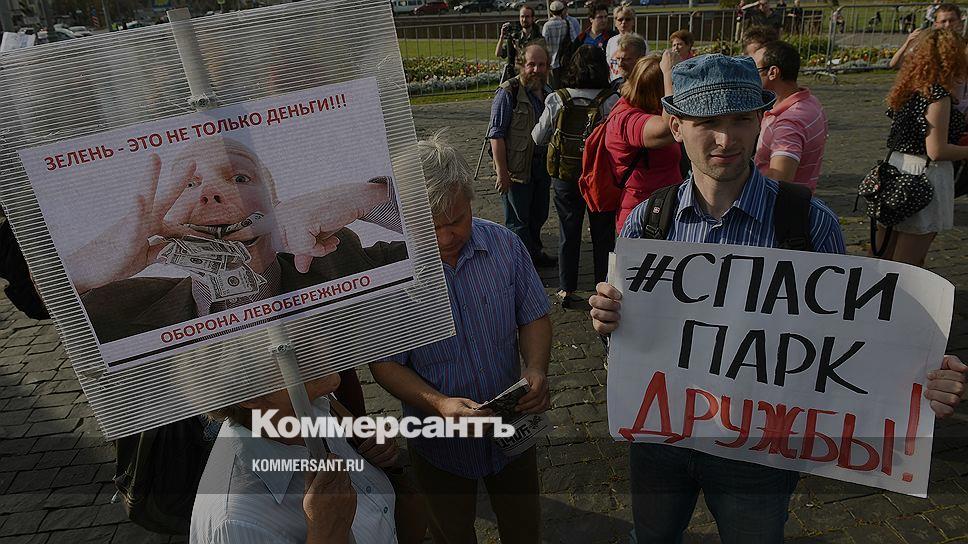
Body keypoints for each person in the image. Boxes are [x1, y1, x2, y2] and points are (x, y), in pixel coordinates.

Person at [589, 53, 968, 544]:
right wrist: (609, 322)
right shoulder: (648, 222)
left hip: (760, 452)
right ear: (677, 127)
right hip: (660, 439)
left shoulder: (807, 223)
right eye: (707, 122)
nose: (726, 139)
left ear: (760, 122)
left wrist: (921, 376)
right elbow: (626, 342)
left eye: (741, 120)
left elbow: (850, 342)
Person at [71, 136, 407, 415]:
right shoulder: (113, 304)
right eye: (189, 184)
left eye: (239, 178)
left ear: (275, 203)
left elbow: (437, 250)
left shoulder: (337, 261)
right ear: (169, 216)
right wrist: (78, 273)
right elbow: (55, 320)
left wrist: (371, 197)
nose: (209, 192)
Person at [370, 132, 551, 544]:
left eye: (456, 221)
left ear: (470, 200)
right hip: (438, 444)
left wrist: (537, 368)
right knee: (451, 533)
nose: (445, 237)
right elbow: (384, 364)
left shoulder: (505, 245)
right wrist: (439, 404)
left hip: (513, 427)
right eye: (429, 227)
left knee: (524, 528)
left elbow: (534, 317)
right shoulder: (390, 275)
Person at [190, 373, 400, 544]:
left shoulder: (315, 402)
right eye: (294, 347)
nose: (325, 345)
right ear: (250, 395)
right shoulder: (235, 521)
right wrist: (325, 536)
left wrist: (374, 449)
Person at [532, 45, 620, 308]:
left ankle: (566, 288)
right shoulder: (610, 100)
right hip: (599, 176)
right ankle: (603, 286)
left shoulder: (558, 98)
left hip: (565, 175)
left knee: (568, 231)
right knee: (603, 235)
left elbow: (537, 137)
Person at [875, 29, 968, 267]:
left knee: (881, 257)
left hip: (895, 170)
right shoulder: (937, 95)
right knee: (907, 264)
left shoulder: (910, 88)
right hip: (924, 175)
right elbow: (936, 150)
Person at [488, 42, 557, 267]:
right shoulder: (509, 92)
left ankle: (534, 253)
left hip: (542, 166)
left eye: (541, 65)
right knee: (518, 221)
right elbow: (496, 134)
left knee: (539, 215)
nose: (536, 70)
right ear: (521, 64)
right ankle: (520, 264)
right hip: (516, 168)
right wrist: (502, 172)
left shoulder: (549, 94)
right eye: (531, 64)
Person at [605, 52, 682, 233]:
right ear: (659, 91)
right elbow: (669, 127)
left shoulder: (642, 108)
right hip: (643, 217)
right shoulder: (627, 119)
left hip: (662, 210)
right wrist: (669, 73)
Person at [753, 40, 829, 192]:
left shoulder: (788, 123)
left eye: (754, 70)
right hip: (802, 194)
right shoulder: (810, 101)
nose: (749, 76)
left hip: (774, 204)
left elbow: (779, 180)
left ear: (773, 73)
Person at [495, 5, 541, 82]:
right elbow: (498, 53)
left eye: (527, 17)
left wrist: (518, 49)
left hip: (532, 76)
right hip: (515, 76)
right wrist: (502, 36)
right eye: (522, 17)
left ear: (533, 18)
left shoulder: (538, 38)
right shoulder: (515, 36)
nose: (524, 19)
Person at [542, 1, 573, 89]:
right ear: (562, 11)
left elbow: (544, 43)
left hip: (551, 64)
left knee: (552, 89)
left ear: (551, 12)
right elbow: (574, 40)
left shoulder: (547, 26)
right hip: (565, 62)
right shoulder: (567, 23)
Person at [606, 4, 637, 82]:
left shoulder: (639, 41)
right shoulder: (611, 41)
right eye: (620, 19)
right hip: (614, 82)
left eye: (627, 19)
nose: (623, 22)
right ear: (615, 22)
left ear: (633, 22)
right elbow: (608, 63)